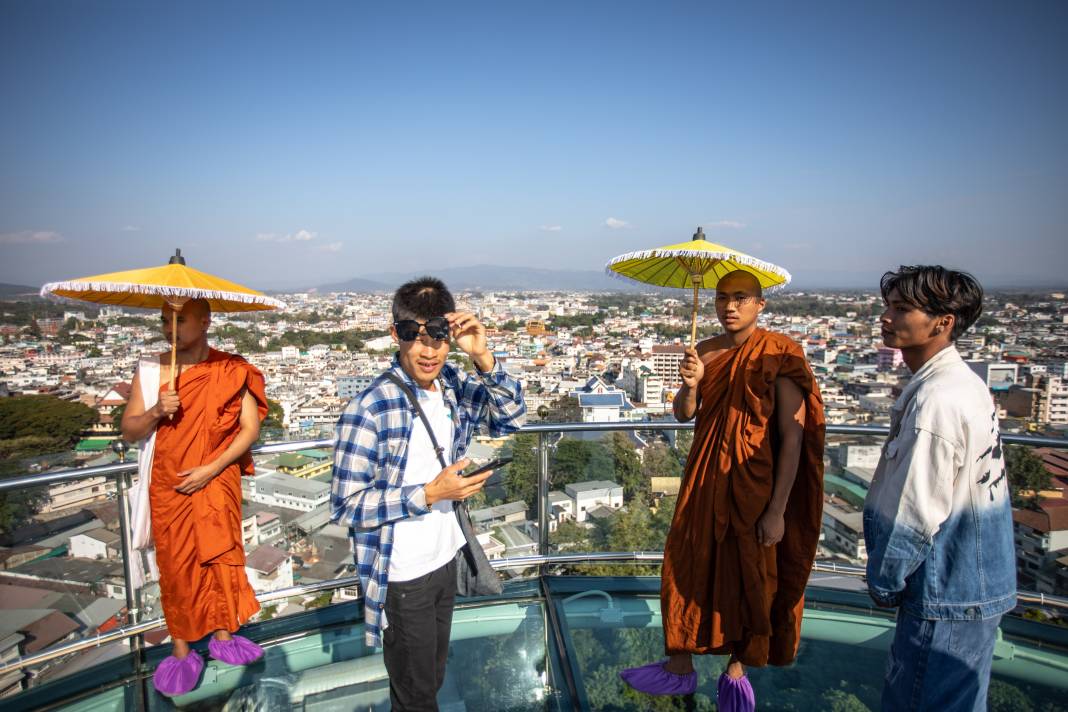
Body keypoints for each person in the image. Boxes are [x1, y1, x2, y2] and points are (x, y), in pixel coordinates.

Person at [621, 270, 825, 710]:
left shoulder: (779, 353)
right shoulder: (706, 352)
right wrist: (691, 385)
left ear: (759, 305)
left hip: (755, 482)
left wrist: (778, 510)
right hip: (704, 475)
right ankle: (679, 664)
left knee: (749, 570)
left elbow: (793, 437)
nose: (729, 306)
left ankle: (737, 671)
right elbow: (682, 414)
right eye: (721, 299)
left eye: (740, 298)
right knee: (687, 558)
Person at [330, 277, 526, 711]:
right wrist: (427, 493)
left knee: (431, 677)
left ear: (450, 333)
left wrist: (483, 356)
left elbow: (510, 419)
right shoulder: (369, 407)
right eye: (411, 334)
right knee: (416, 693)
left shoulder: (452, 384)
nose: (427, 348)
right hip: (402, 573)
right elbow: (345, 504)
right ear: (393, 333)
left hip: (444, 558)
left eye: (437, 333)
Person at [865, 266, 1015, 711]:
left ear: (944, 322)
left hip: (944, 590)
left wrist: (886, 583)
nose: (886, 318)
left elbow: (913, 513)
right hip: (973, 584)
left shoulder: (937, 401)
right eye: (887, 306)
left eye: (902, 308)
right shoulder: (964, 384)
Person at [121, 298, 268, 697]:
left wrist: (212, 468)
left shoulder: (231, 369)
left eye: (180, 319)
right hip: (169, 485)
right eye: (164, 319)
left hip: (216, 478)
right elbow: (129, 430)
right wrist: (155, 411)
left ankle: (224, 633)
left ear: (205, 321)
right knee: (177, 566)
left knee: (221, 556)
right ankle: (182, 648)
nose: (170, 328)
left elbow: (248, 429)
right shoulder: (152, 371)